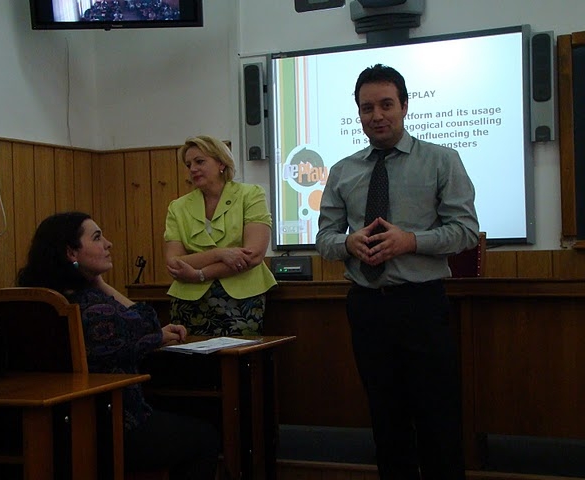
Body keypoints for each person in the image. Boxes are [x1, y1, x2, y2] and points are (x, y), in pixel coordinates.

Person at [315, 64, 479, 480]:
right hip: (367, 307)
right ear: (359, 113)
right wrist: (348, 244)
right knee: (386, 423)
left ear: (404, 106)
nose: (377, 115)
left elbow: (465, 231)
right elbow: (325, 238)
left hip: (421, 305)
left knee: (437, 421)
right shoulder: (343, 170)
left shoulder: (441, 161)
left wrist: (410, 241)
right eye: (367, 108)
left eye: (386, 105)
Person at [17, 212, 220, 479]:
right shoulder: (95, 309)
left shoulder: (36, 302)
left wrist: (153, 336)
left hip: (43, 429)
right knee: (205, 437)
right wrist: (102, 284)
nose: (108, 244)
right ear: (71, 252)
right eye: (97, 237)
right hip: (110, 426)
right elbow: (147, 321)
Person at [164, 135, 276, 336]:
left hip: (241, 298)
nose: (193, 169)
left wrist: (200, 274)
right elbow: (174, 262)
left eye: (200, 162)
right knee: (189, 354)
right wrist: (220, 254)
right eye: (188, 165)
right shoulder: (177, 207)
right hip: (189, 299)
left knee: (237, 354)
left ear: (221, 163)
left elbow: (253, 255)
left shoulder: (250, 195)